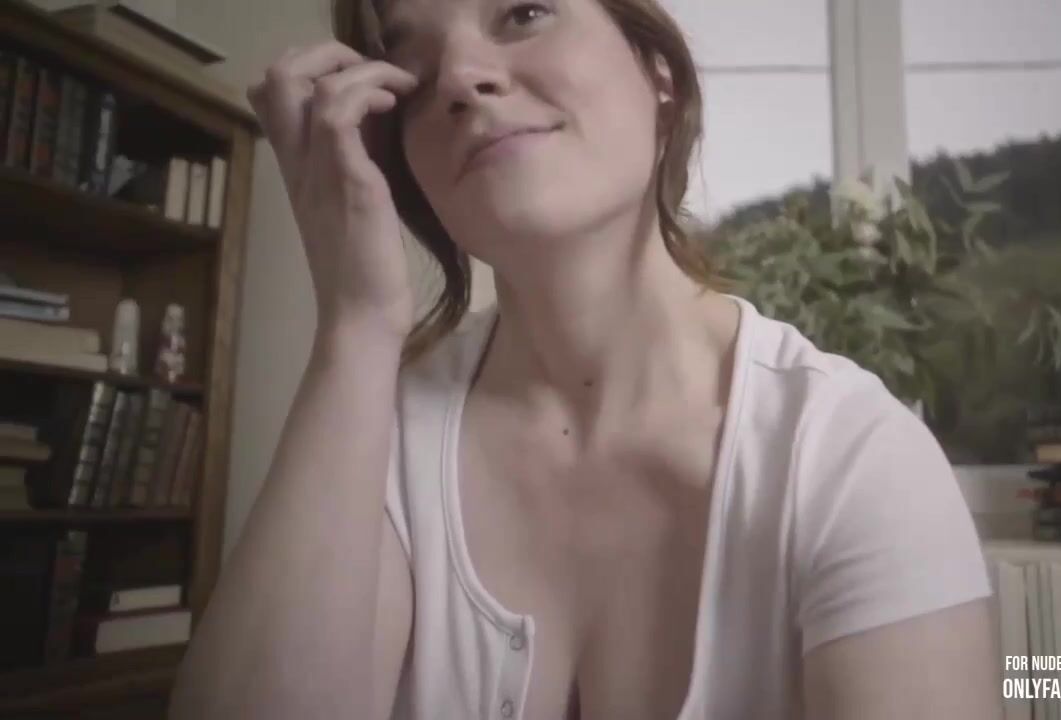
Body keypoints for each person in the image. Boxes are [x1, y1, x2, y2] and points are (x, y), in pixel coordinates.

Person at [168, 0, 1002, 717]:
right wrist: (354, 326)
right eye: (410, 63)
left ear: (659, 75)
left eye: (524, 11)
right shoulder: (375, 439)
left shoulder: (847, 457)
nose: (459, 77)